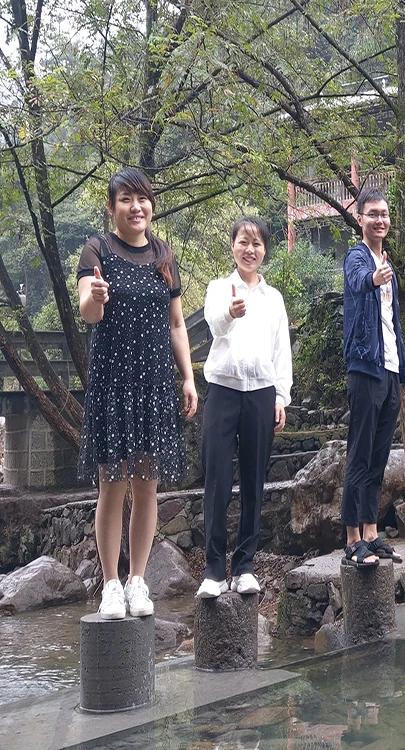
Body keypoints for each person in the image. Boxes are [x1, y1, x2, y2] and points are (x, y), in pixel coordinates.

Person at [77, 168, 198, 620]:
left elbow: (177, 324)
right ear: (112, 207)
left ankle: (138, 580)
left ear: (151, 205)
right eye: (126, 199)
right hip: (113, 384)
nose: (136, 207)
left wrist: (188, 377)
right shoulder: (97, 249)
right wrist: (97, 297)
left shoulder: (164, 255)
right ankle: (111, 583)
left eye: (142, 198)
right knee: (111, 485)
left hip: (154, 384)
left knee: (147, 486)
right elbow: (88, 313)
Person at [197, 217, 292, 598]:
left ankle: (245, 565)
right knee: (217, 478)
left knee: (254, 480)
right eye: (243, 241)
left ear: (265, 249)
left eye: (256, 243)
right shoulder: (219, 288)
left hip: (261, 393)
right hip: (223, 389)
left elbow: (281, 351)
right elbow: (213, 326)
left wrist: (281, 396)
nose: (249, 249)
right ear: (232, 246)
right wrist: (230, 313)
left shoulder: (274, 299)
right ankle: (213, 569)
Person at [341, 187, 405, 568]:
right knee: (360, 452)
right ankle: (352, 537)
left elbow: (393, 320)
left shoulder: (388, 263)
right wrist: (374, 278)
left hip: (390, 368)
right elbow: (357, 280)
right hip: (365, 367)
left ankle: (370, 531)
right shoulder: (358, 257)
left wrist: (403, 370)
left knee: (379, 455)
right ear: (361, 219)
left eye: (384, 214)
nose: (380, 219)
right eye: (373, 214)